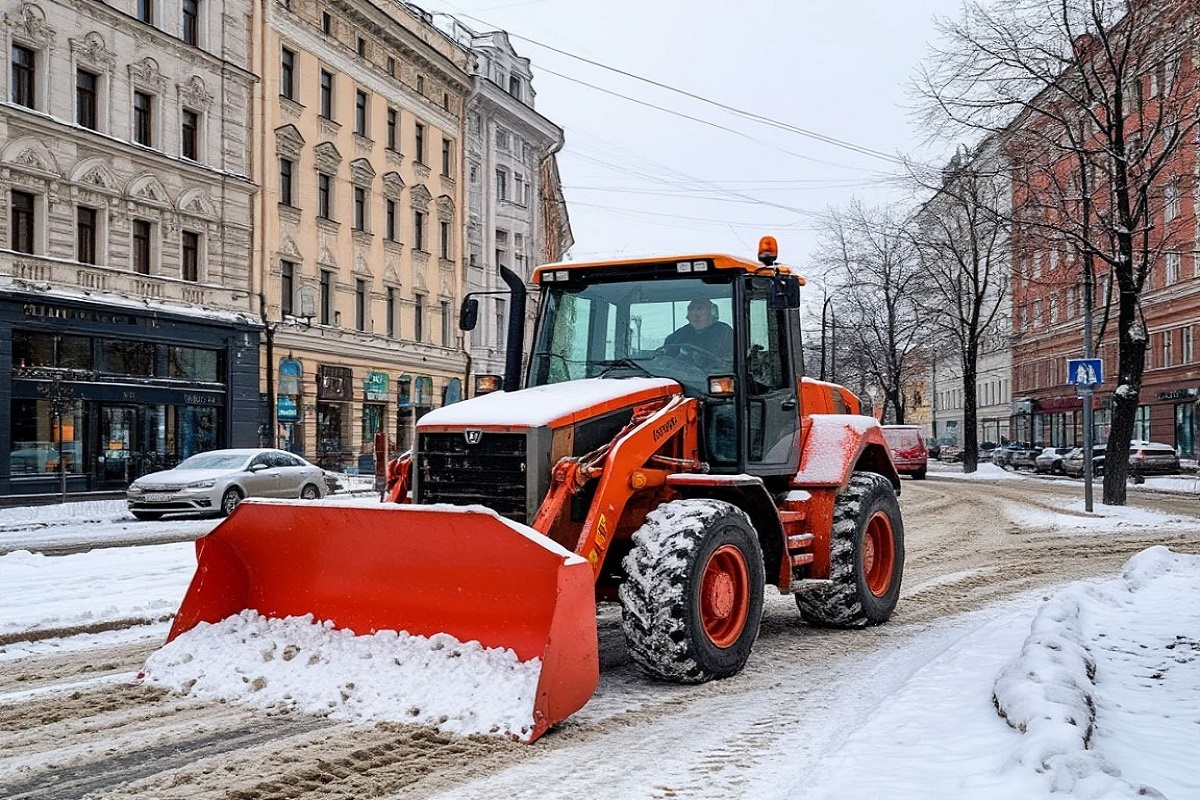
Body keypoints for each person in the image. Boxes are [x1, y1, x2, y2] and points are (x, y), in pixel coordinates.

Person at [664, 298, 733, 355]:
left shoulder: (724, 333)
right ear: (688, 317)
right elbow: (667, 358)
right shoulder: (677, 337)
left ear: (712, 314)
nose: (696, 317)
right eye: (691, 311)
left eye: (699, 310)